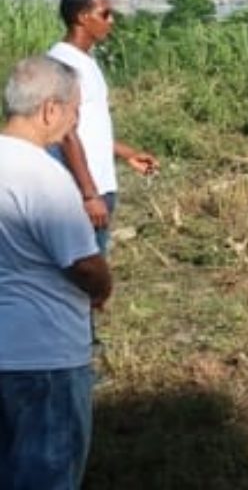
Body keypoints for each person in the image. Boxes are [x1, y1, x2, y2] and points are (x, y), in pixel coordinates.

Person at [1, 56, 113, 488]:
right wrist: (102, 290)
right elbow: (85, 265)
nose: (74, 121)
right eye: (74, 110)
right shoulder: (44, 177)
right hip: (43, 355)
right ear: (50, 109)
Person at [48, 0, 159, 259]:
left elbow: (89, 129)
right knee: (83, 276)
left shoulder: (86, 61)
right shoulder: (64, 65)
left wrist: (127, 154)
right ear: (83, 18)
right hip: (80, 190)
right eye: (105, 14)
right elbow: (65, 134)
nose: (112, 20)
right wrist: (88, 194)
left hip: (98, 184)